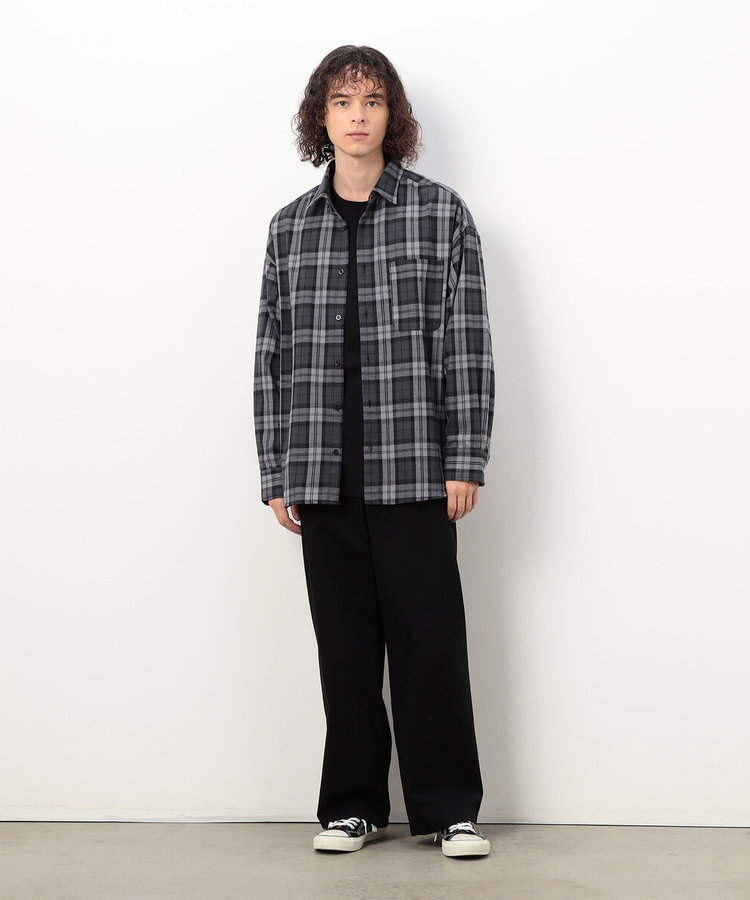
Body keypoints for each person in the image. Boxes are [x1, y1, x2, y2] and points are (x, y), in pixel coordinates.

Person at [253, 45, 495, 859]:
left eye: (372, 101)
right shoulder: (290, 227)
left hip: (414, 465)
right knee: (345, 648)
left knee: (431, 640)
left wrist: (465, 457)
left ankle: (450, 808)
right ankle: (353, 807)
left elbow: (466, 342)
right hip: (321, 470)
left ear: (394, 115)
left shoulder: (441, 213)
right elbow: (271, 357)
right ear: (319, 117)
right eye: (341, 101)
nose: (357, 116)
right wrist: (276, 469)